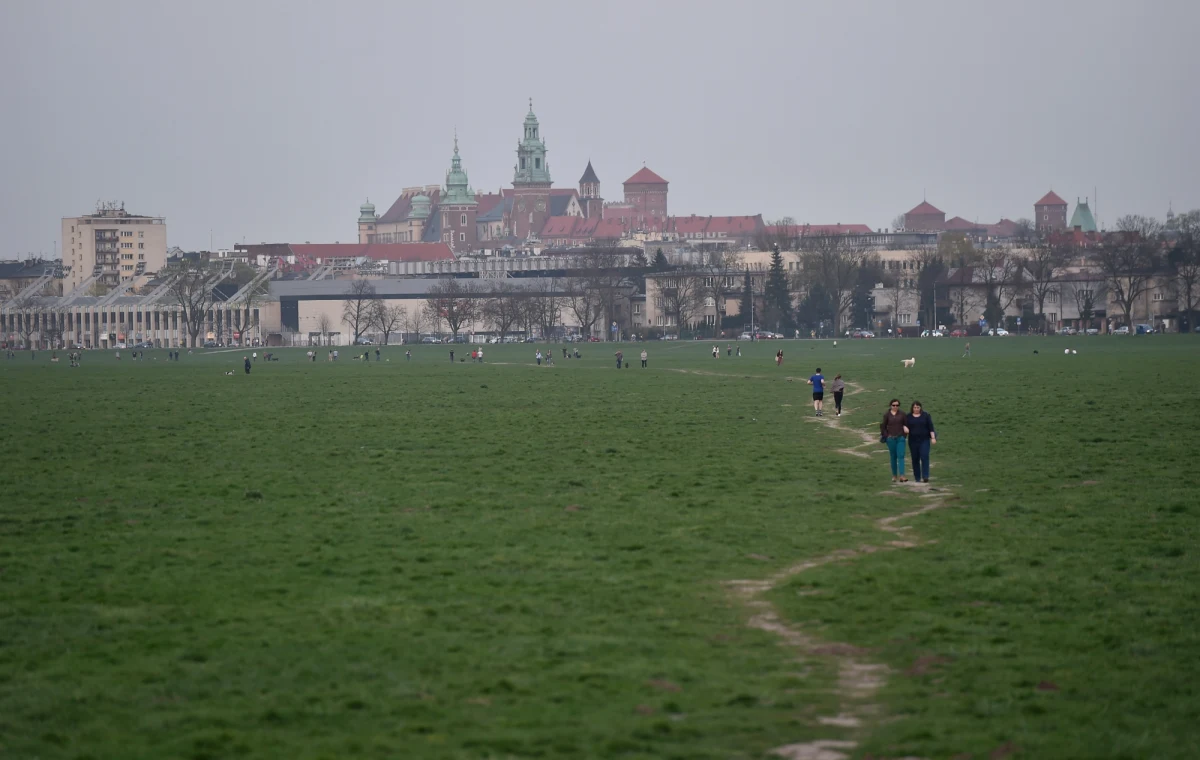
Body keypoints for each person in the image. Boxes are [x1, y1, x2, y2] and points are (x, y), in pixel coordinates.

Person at [906, 400, 937, 483]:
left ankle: (925, 476)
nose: (916, 409)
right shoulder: (908, 416)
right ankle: (917, 477)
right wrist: (904, 428)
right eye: (915, 407)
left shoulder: (926, 415)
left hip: (924, 440)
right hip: (913, 441)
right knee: (915, 459)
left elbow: (931, 427)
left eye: (918, 407)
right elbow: (904, 426)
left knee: (924, 456)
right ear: (912, 408)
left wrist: (933, 438)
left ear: (920, 408)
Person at [880, 399, 909, 483]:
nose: (895, 407)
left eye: (897, 405)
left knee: (901, 455)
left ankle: (902, 476)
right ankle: (894, 476)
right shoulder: (887, 415)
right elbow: (883, 427)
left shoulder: (902, 414)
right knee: (893, 457)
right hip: (891, 439)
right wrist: (887, 436)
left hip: (900, 438)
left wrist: (904, 436)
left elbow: (906, 425)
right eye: (893, 405)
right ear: (890, 405)